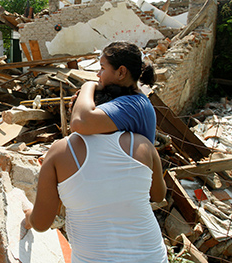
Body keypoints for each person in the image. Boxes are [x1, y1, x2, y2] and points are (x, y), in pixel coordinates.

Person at [24, 84, 168, 262]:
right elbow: (159, 195)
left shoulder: (59, 151)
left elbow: (41, 223)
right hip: (151, 256)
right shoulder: (142, 145)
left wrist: (29, 217)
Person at [70, 41, 157, 143]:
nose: (98, 74)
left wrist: (88, 85)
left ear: (121, 72)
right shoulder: (132, 100)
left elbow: (80, 123)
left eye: (102, 68)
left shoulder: (132, 105)